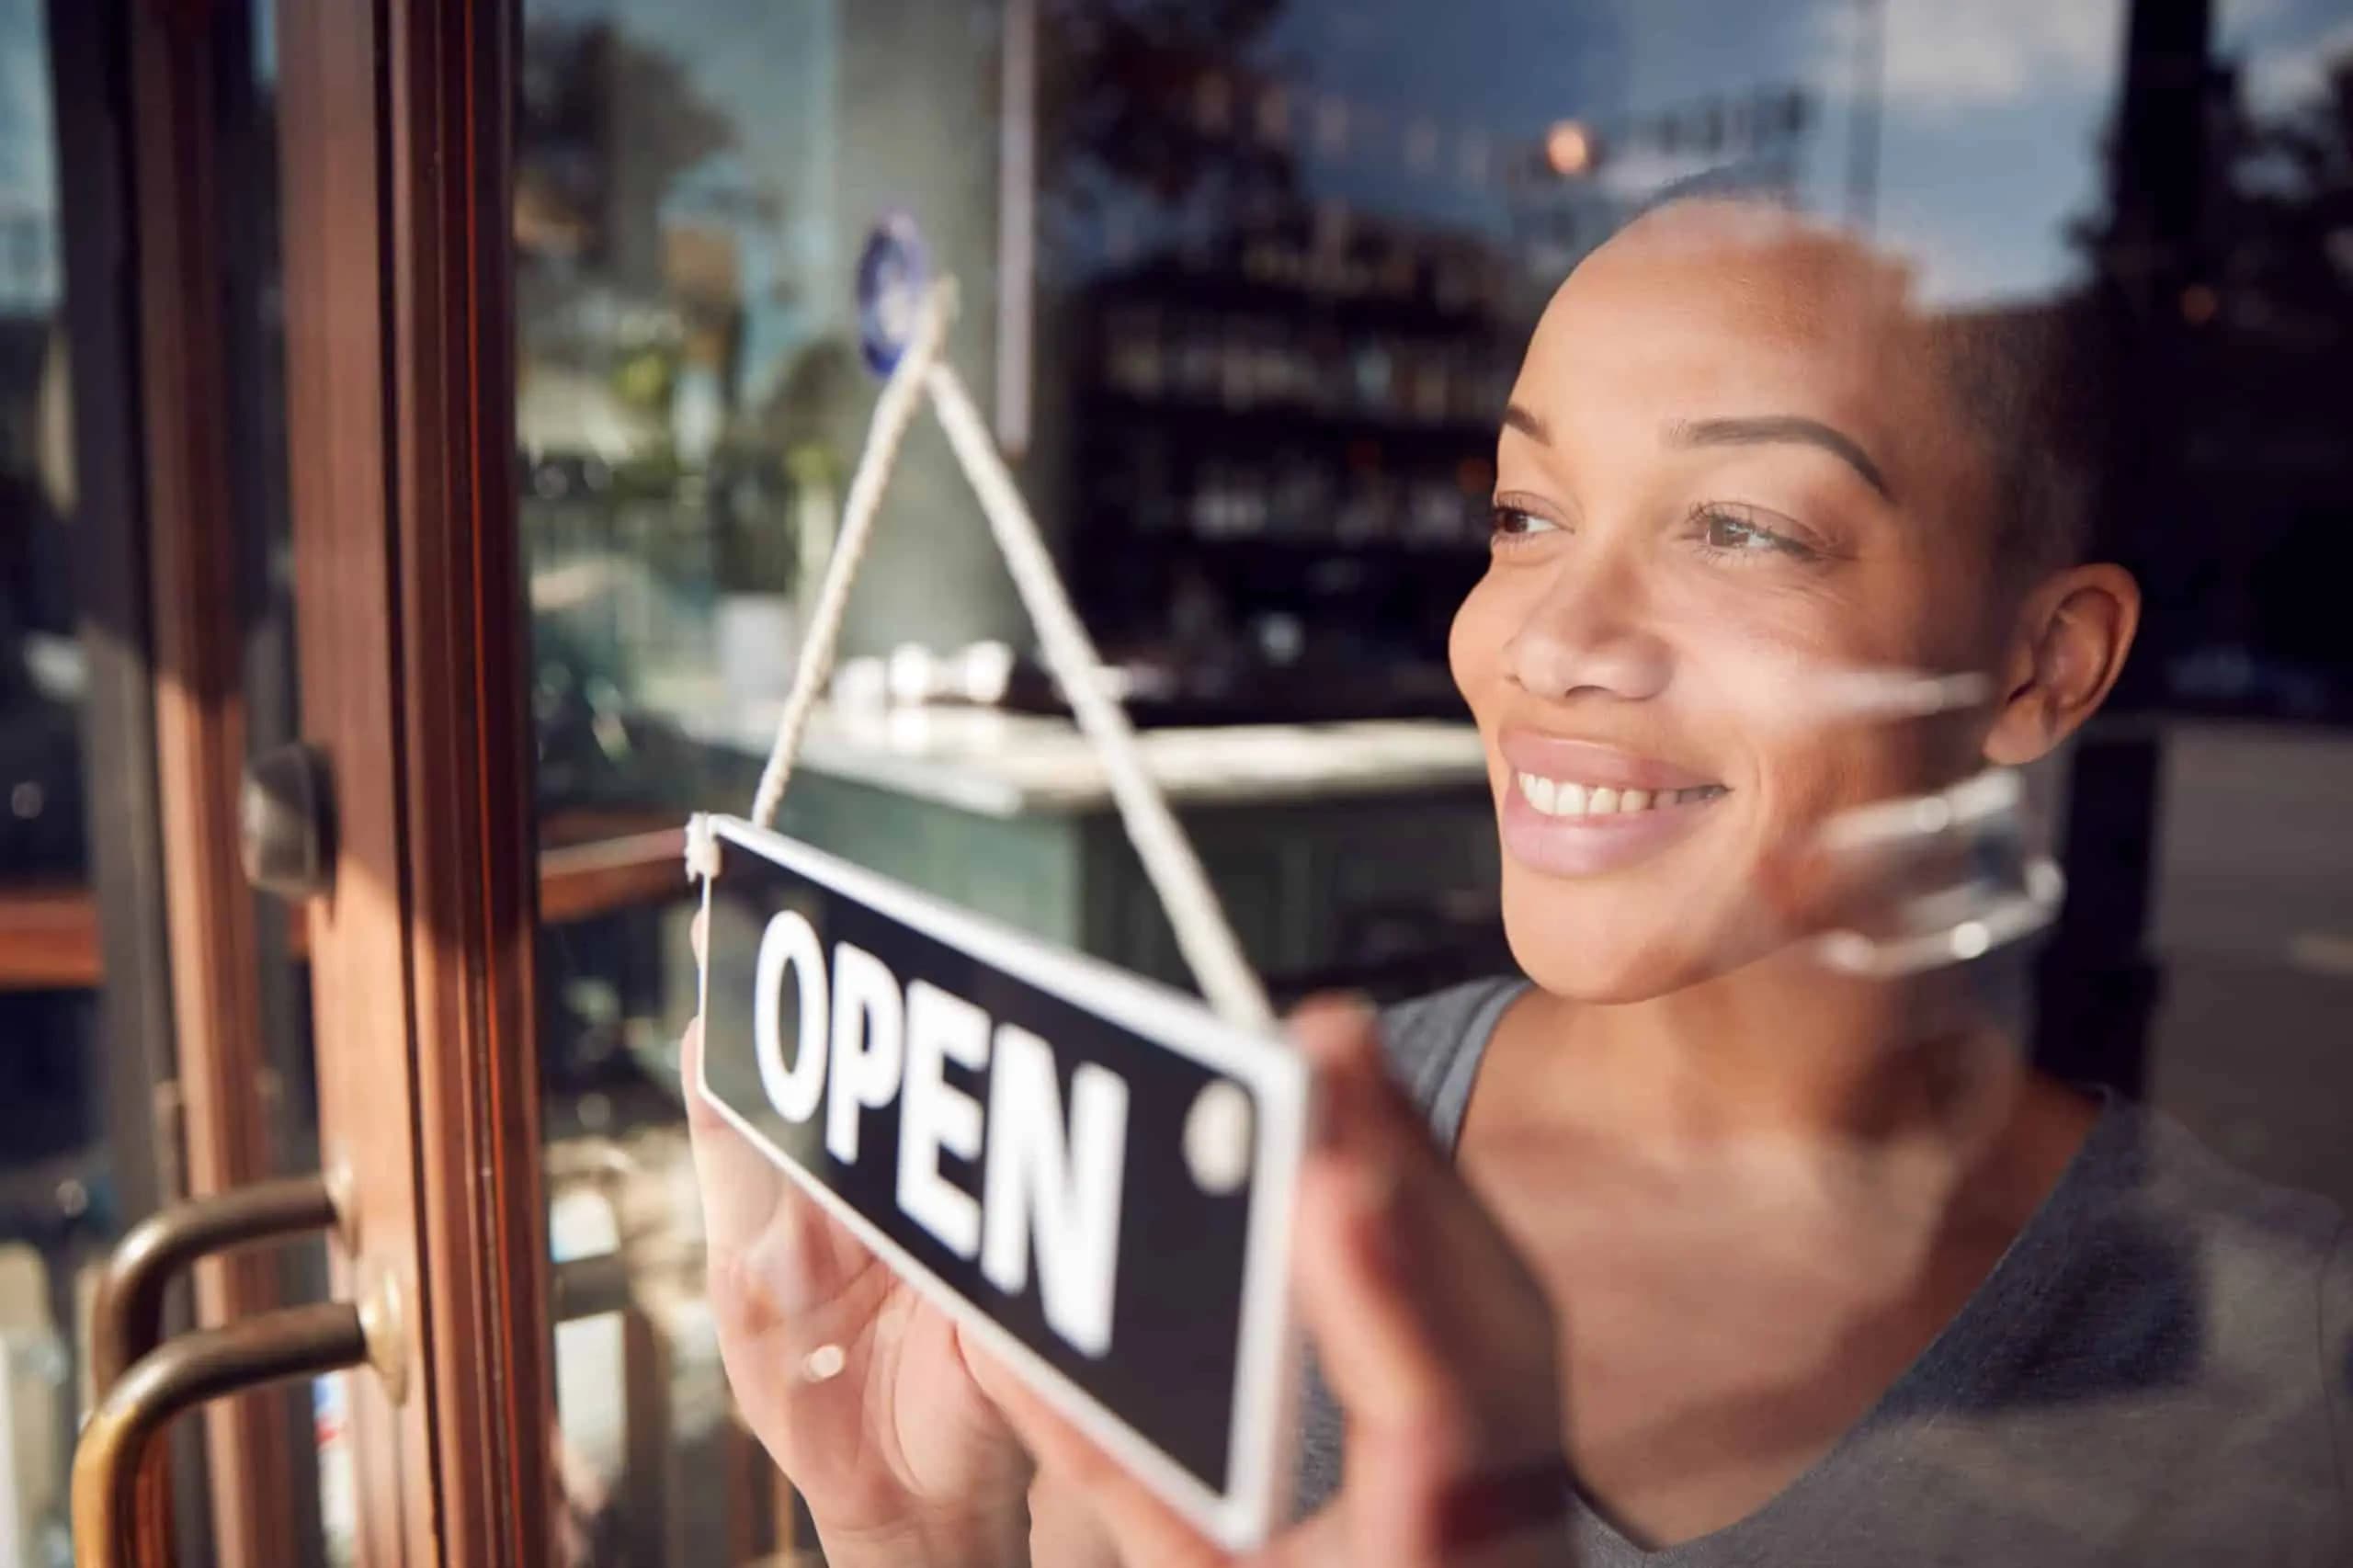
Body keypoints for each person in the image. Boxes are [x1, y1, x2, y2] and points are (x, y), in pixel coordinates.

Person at [682, 199, 2353, 1566]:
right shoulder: (1243, 1169)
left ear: (2041, 663)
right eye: (1527, 509)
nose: (1543, 639)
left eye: (1743, 530)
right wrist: (914, 1532)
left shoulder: (2289, 1392)